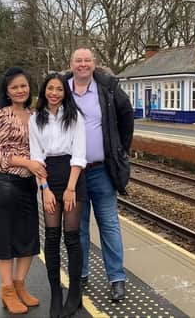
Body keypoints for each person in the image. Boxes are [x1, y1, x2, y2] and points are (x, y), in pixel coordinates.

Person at [67, 48, 134, 301]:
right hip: (75, 174)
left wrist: (121, 150)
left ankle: (117, 278)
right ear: (71, 64)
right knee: (78, 227)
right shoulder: (62, 89)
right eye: (78, 61)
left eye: (87, 60)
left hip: (102, 170)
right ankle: (81, 275)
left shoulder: (106, 88)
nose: (83, 64)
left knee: (109, 225)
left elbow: (127, 115)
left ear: (94, 64)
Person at [0, 67, 48, 314]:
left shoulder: (35, 115)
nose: (20, 90)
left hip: (27, 185)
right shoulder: (2, 116)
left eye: (23, 86)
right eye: (14, 87)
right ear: (7, 92)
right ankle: (7, 289)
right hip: (5, 183)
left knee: (29, 237)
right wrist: (27, 163)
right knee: (6, 238)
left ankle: (20, 285)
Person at [29, 73, 87, 318]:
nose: (54, 93)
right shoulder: (35, 120)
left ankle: (75, 294)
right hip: (48, 177)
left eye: (59, 89)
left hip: (73, 177)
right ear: (44, 92)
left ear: (65, 93)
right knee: (52, 237)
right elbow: (36, 157)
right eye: (50, 89)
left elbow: (79, 154)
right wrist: (45, 189)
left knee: (72, 238)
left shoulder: (75, 117)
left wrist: (71, 188)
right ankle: (55, 293)